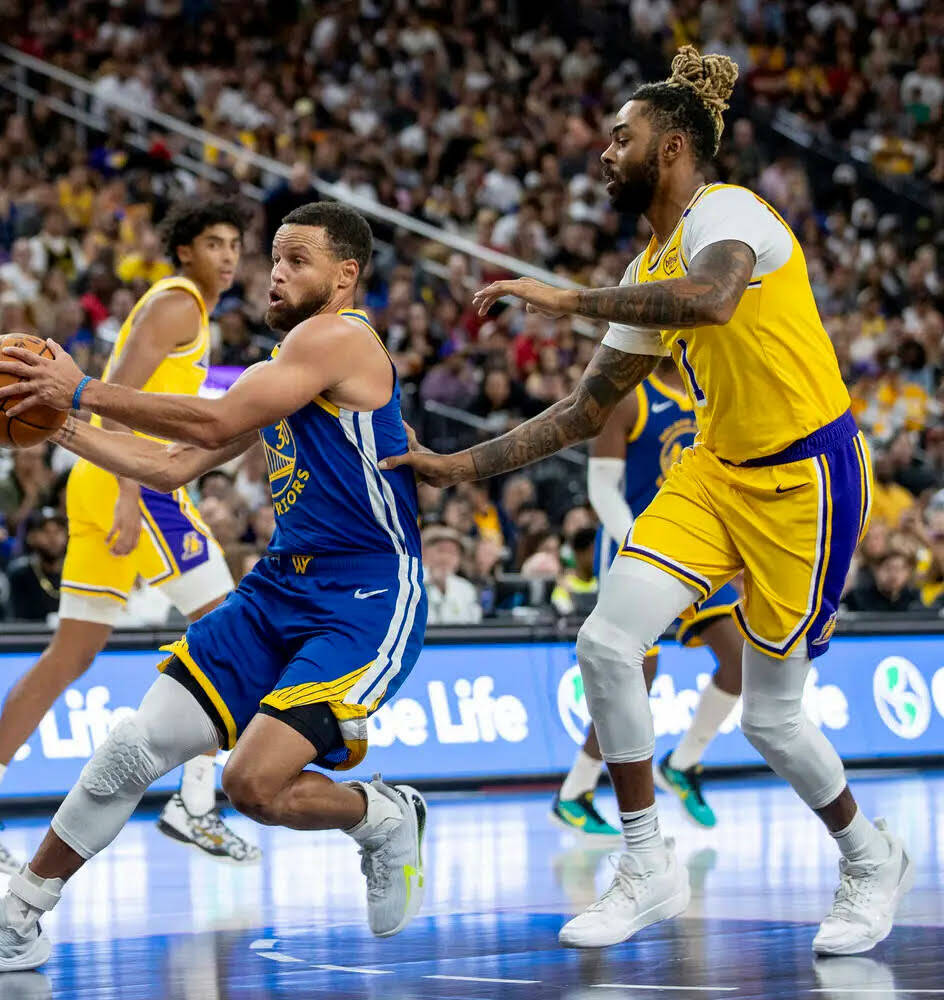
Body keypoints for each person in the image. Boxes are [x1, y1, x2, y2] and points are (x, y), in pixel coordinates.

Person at [384, 47, 910, 954]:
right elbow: (587, 409)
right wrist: (456, 467)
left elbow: (712, 299)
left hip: (808, 476)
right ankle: (646, 863)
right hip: (715, 470)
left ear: (670, 146)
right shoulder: (646, 264)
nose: (603, 154)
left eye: (619, 138)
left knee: (773, 719)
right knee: (605, 640)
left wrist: (563, 300)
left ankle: (868, 857)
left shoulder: (728, 210)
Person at [0, 202, 428, 976]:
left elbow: (208, 420)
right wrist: (53, 422)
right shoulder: (280, 373)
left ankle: (383, 813)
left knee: (252, 783)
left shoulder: (338, 339)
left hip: (365, 598)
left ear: (345, 276)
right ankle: (15, 918)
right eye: (276, 258)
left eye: (298, 260)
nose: (275, 272)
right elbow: (167, 467)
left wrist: (82, 388)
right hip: (278, 591)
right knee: (132, 748)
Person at [0, 201, 262, 873]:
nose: (227, 256)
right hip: (132, 482)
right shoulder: (180, 306)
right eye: (214, 243)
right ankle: (196, 805)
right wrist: (133, 493)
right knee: (234, 633)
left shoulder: (186, 308)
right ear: (184, 252)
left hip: (102, 480)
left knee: (69, 655)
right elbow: (112, 395)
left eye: (234, 244)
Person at [552, 360, 743, 839]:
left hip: (698, 545)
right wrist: (640, 540)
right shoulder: (630, 397)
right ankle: (575, 792)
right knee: (636, 674)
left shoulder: (712, 396)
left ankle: (683, 763)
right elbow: (601, 489)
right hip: (634, 543)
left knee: (740, 661)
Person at [0, 508, 66, 625]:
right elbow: (14, 619)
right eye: (45, 531)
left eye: (58, 531)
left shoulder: (74, 573)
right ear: (31, 537)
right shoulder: (20, 573)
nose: (53, 538)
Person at [422, 524, 482, 624]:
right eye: (441, 550)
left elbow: (474, 628)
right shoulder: (411, 584)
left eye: (452, 553)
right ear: (425, 553)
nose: (446, 558)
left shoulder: (466, 589)